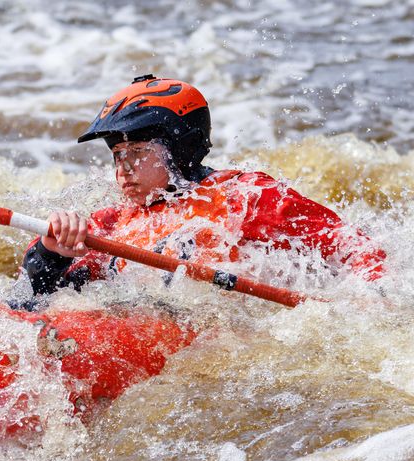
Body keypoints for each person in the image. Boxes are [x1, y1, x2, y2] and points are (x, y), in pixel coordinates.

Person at [20, 74, 386, 300]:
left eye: (139, 152)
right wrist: (52, 252)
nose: (124, 169)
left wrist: (367, 300)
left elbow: (352, 247)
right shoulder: (112, 222)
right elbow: (39, 295)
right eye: (117, 154)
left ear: (181, 151)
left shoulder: (247, 198)